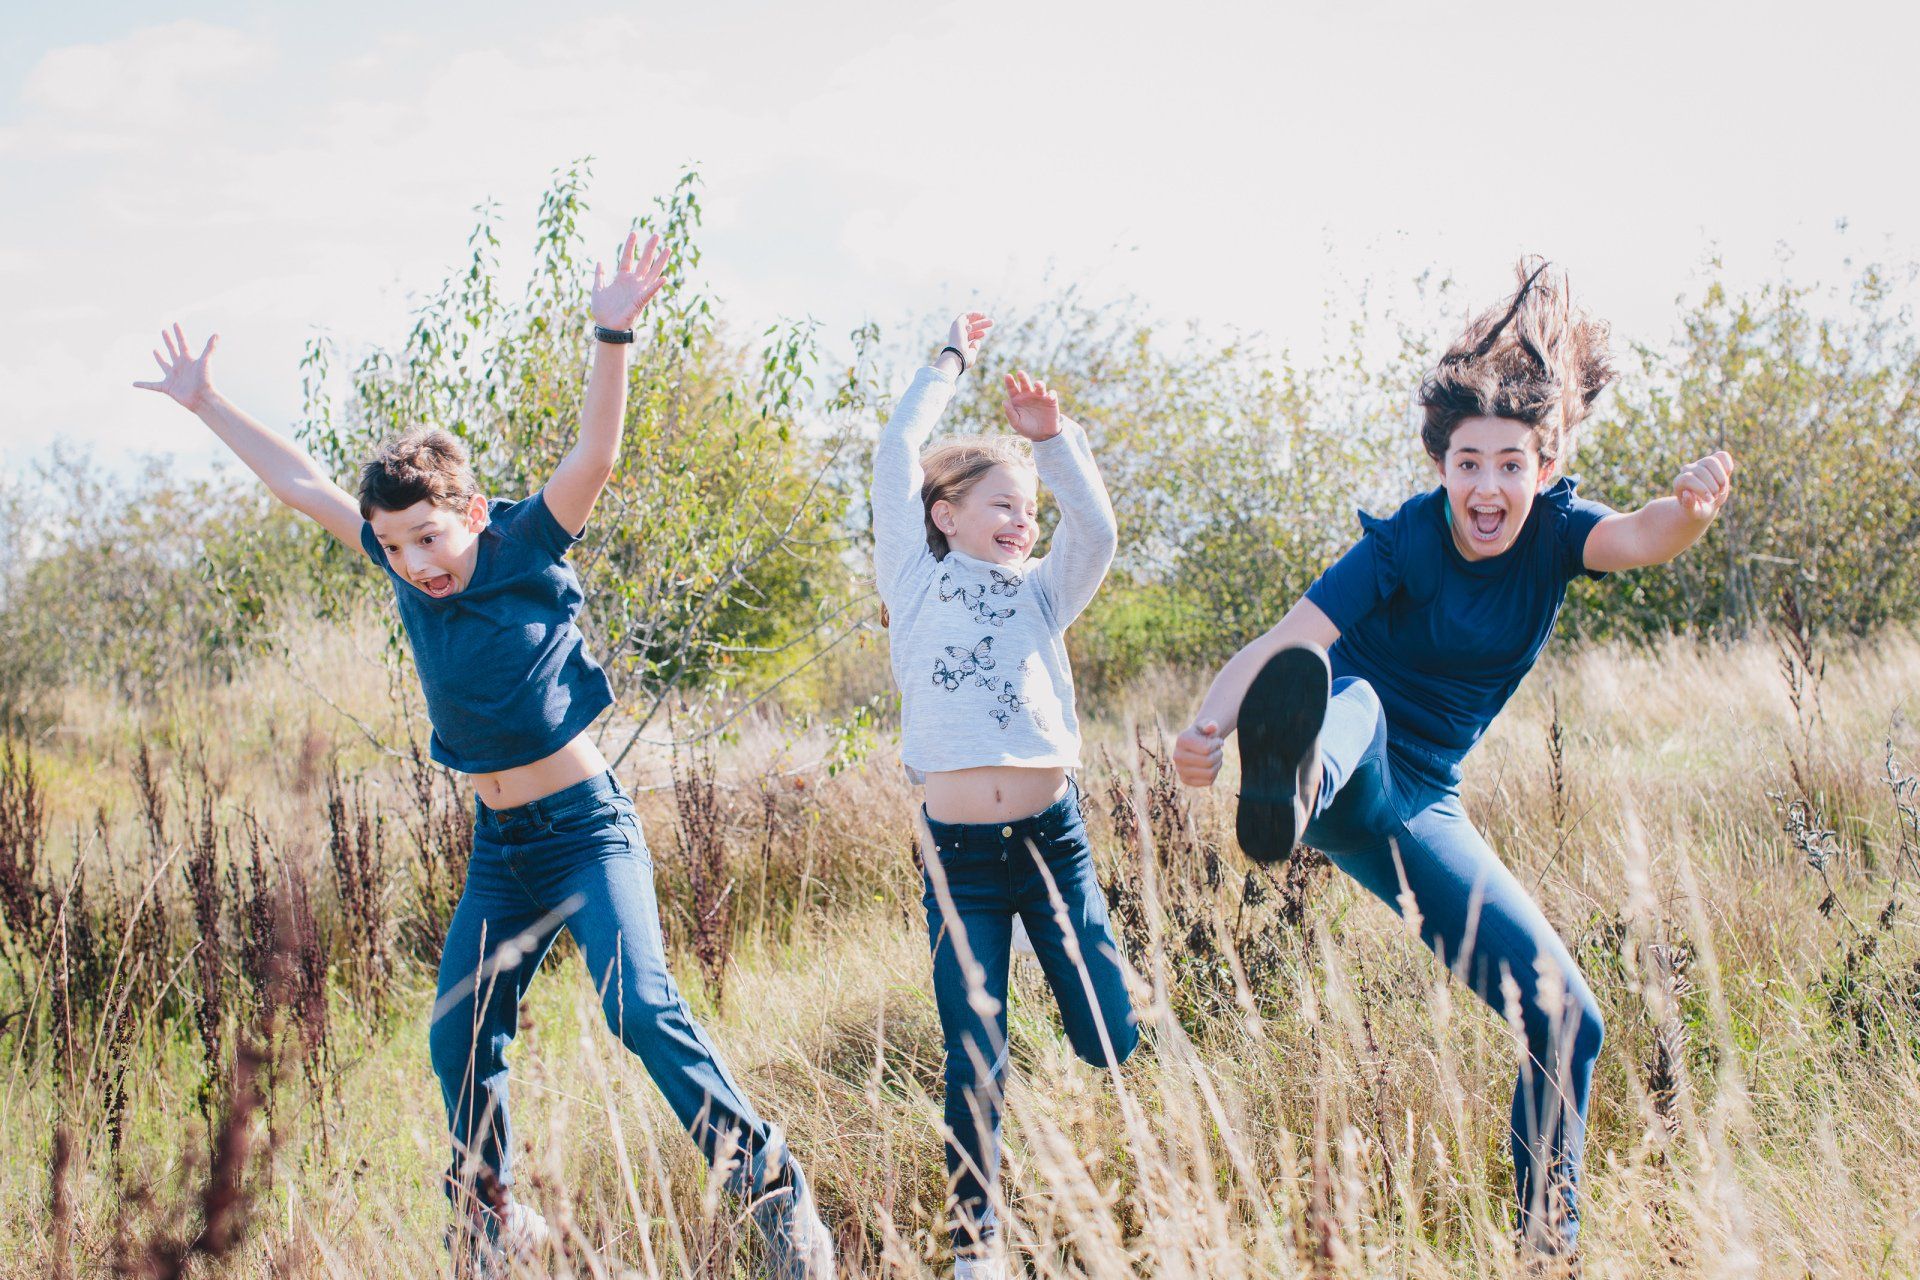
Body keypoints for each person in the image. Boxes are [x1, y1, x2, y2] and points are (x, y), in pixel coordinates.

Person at [135, 230, 833, 1278]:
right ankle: (491, 1220)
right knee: (457, 1037)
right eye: (398, 546)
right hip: (502, 846)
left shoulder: (520, 547)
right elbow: (303, 484)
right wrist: (207, 402)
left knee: (641, 1009)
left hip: (587, 832)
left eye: (431, 538)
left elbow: (594, 454)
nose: (418, 563)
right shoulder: (397, 555)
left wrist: (613, 330)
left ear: (469, 512)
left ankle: (773, 1187)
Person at [1173, 258, 1736, 1258]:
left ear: (1544, 468)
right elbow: (1283, 641)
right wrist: (1209, 726)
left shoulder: (1561, 533)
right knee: (1350, 695)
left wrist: (1688, 513)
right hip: (1343, 756)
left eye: (1508, 464)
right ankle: (1289, 775)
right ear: (1442, 467)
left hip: (1421, 809)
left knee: (1570, 1018)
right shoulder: (1403, 542)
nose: (1486, 484)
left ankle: (1545, 1240)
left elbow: (1642, 535)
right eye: (1466, 463)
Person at [871, 313, 1139, 1278]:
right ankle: (975, 1243)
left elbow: (1098, 529)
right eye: (1004, 505)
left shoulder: (1040, 591)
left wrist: (1050, 444)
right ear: (944, 515)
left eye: (1028, 509)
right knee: (973, 1048)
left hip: (1052, 844)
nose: (1023, 521)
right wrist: (949, 362)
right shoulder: (912, 578)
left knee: (1108, 1036)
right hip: (960, 865)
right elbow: (899, 445)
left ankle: (1134, 1162)